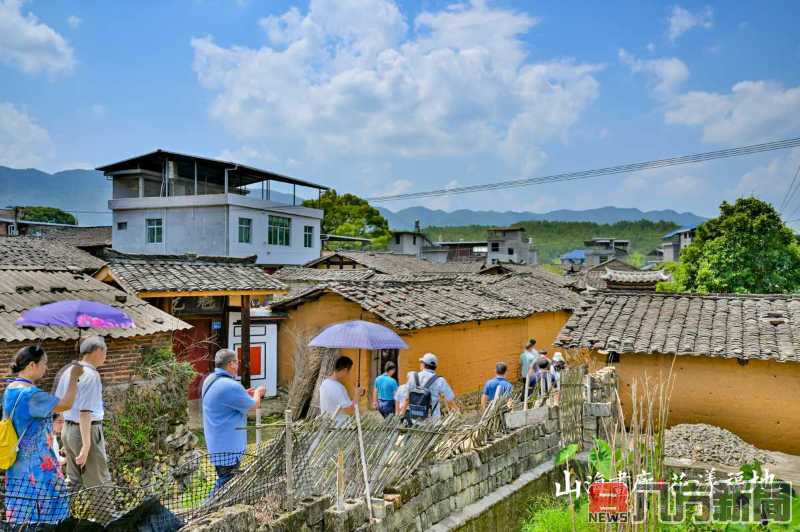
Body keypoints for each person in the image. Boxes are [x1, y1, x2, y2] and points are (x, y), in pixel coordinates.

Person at [3, 345, 83, 524]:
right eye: (44, 364)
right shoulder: (31, 394)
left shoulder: (11, 389)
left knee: (22, 515)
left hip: (16, 464)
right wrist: (73, 377)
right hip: (39, 467)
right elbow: (66, 404)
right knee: (49, 514)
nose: (46, 368)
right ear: (32, 365)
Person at [202, 349, 266, 495]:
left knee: (225, 481)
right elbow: (253, 405)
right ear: (231, 364)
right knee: (226, 484)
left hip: (216, 443)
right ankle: (203, 512)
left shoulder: (210, 380)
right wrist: (258, 393)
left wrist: (244, 394)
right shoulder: (229, 385)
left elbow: (228, 400)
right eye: (237, 362)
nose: (238, 365)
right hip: (228, 448)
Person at [55, 336, 111, 493]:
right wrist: (86, 446)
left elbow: (60, 404)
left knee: (73, 480)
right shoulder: (91, 375)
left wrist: (66, 437)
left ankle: (60, 514)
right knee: (99, 482)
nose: (106, 356)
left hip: (68, 430)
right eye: (105, 351)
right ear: (97, 351)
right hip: (86, 432)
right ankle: (107, 518)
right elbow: (85, 412)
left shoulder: (69, 371)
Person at [405, 353, 459, 421]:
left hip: (414, 419)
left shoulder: (413, 377)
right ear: (435, 366)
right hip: (433, 421)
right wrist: (457, 411)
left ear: (424, 364)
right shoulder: (440, 380)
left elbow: (406, 398)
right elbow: (450, 400)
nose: (420, 363)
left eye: (421, 362)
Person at [319, 356, 360, 426]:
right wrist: (357, 395)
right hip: (340, 428)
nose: (349, 375)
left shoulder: (324, 383)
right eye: (349, 372)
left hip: (327, 426)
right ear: (344, 370)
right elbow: (350, 411)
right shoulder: (338, 388)